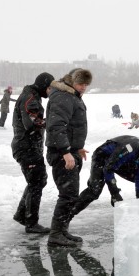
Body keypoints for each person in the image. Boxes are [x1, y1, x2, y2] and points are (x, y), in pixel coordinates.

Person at [45, 68, 92, 247]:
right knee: (68, 194)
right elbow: (56, 126)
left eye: (86, 84)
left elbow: (74, 126)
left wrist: (77, 148)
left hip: (70, 151)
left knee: (70, 194)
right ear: (72, 81)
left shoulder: (71, 96)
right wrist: (65, 152)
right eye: (81, 83)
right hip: (61, 153)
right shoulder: (63, 97)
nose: (84, 87)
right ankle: (56, 234)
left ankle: (62, 231)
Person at [71, 135, 139, 216]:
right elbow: (109, 169)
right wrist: (114, 193)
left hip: (123, 162)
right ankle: (68, 215)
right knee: (95, 190)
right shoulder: (130, 149)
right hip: (102, 157)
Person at [11, 72, 55, 234]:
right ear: (44, 86)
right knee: (36, 182)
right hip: (26, 147)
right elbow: (31, 122)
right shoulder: (31, 98)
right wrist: (51, 123)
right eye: (50, 88)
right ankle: (31, 223)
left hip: (29, 146)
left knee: (38, 180)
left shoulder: (31, 96)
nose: (51, 92)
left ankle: (22, 215)